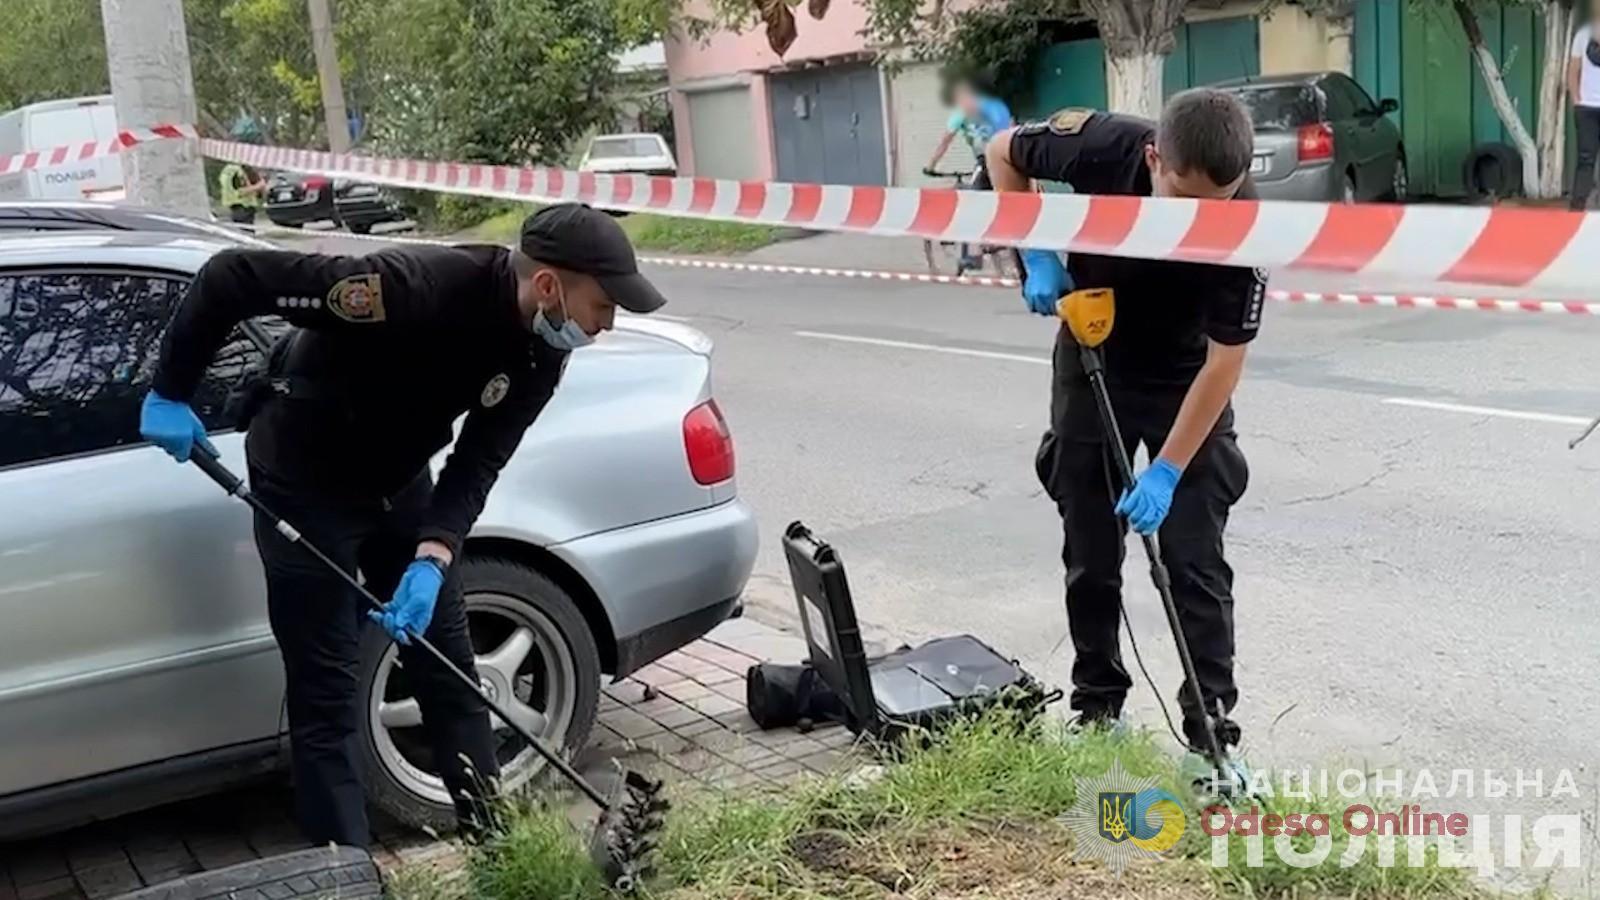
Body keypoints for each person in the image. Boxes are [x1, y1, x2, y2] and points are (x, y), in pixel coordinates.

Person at [138, 204, 666, 848]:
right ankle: (346, 878)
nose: (606, 326)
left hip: (397, 482)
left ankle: (498, 852)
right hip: (304, 482)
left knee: (450, 668)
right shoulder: (408, 286)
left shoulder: (541, 352)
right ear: (550, 285)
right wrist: (171, 389)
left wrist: (436, 553)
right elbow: (232, 275)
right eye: (604, 305)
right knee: (328, 693)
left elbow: (479, 458)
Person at [985, 91, 1265, 786]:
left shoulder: (1250, 219)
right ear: (1152, 159)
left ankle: (1212, 738)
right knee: (1092, 549)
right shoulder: (1100, 146)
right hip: (1092, 349)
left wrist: (1168, 470)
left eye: (1217, 203)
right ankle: (1098, 711)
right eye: (1185, 198)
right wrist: (1037, 253)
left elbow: (1225, 360)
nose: (1204, 219)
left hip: (1184, 375)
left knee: (1195, 561)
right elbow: (1001, 152)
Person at [925, 76, 1014, 189]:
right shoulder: (991, 107)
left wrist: (931, 166)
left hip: (991, 159)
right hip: (1001, 159)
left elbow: (944, 142)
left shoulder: (963, 113)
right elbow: (1011, 129)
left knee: (974, 195)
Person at [1570, 10, 1600, 210]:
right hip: (1587, 107)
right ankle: (1578, 206)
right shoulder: (1583, 35)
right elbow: (1573, 69)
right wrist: (1576, 99)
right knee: (1585, 158)